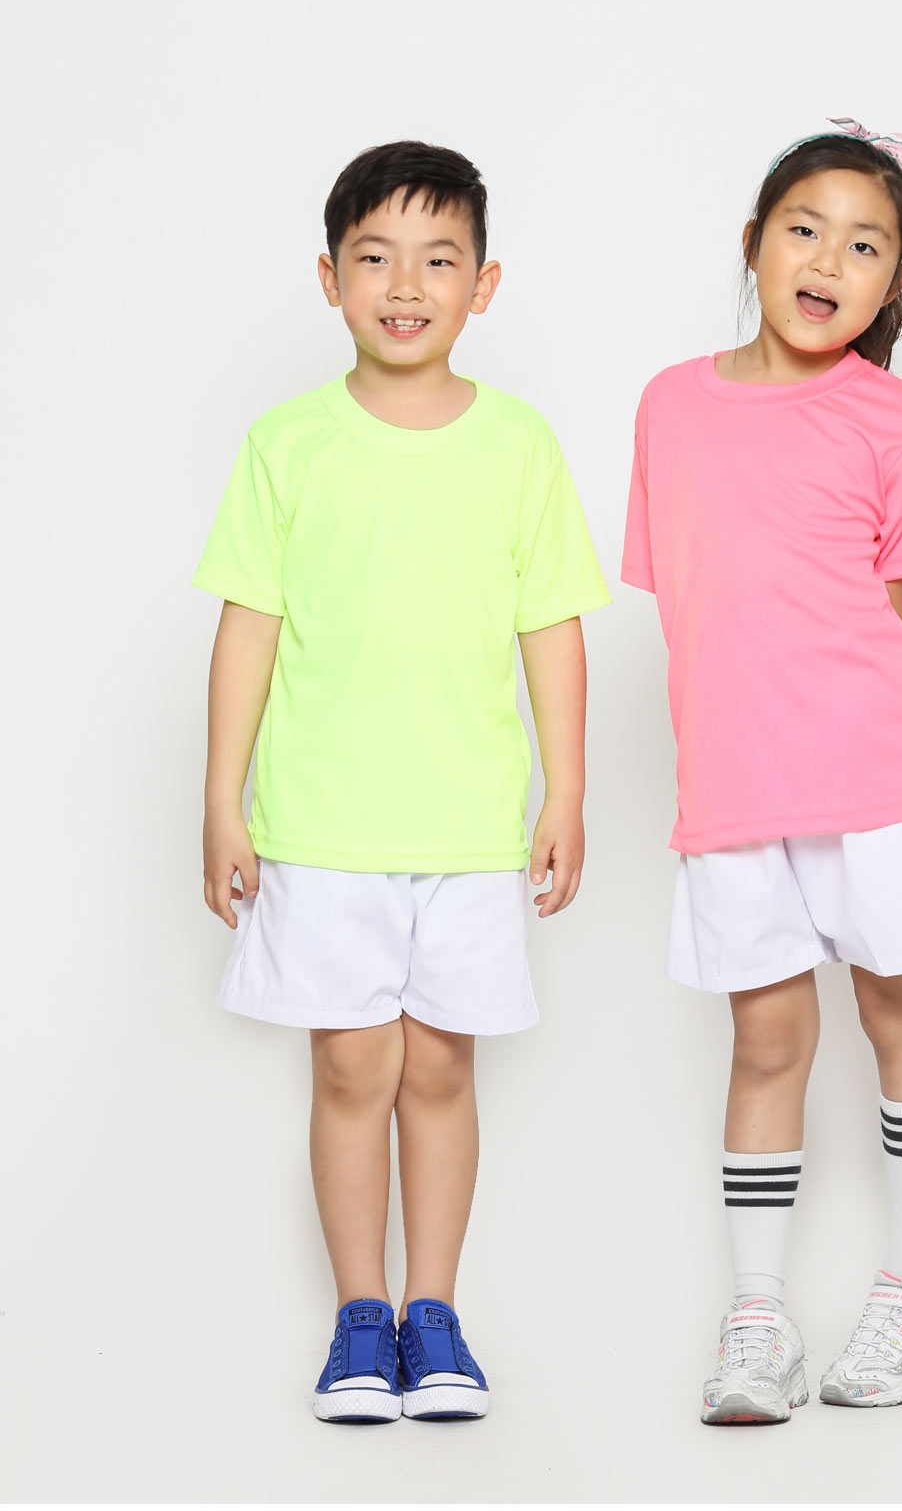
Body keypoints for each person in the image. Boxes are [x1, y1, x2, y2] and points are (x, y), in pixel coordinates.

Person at [194, 140, 610, 1424]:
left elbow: (552, 627)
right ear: (330, 278)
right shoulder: (288, 443)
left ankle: (436, 1316)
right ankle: (358, 1319)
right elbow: (247, 627)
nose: (406, 285)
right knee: (349, 1071)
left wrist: (564, 792)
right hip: (321, 825)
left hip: (470, 827)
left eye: (438, 259)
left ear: (484, 285)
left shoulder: (518, 445)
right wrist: (220, 802)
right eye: (374, 257)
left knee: (438, 1070)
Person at [621, 118, 902, 1422]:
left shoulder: (895, 419)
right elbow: (695, 603)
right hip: (731, 784)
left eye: (865, 245)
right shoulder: (670, 404)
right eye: (804, 229)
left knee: (894, 1008)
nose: (829, 259)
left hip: (873, 773)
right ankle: (759, 1316)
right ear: (752, 243)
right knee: (765, 1037)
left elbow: (881, 615)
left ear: (894, 283)